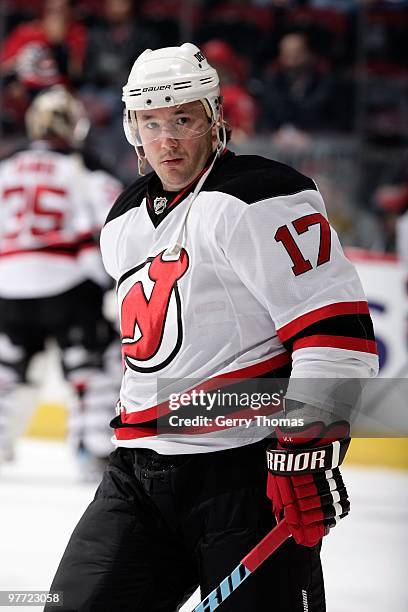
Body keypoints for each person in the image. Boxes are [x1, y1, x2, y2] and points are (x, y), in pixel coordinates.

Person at [45, 43, 378, 611]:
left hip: (242, 478)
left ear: (214, 117)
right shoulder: (122, 218)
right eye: (152, 122)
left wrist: (305, 447)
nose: (168, 139)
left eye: (182, 118)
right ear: (132, 128)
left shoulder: (264, 194)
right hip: (137, 477)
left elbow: (336, 336)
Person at [0, 86, 122, 480]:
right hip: (68, 287)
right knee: (94, 363)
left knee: (4, 367)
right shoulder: (83, 170)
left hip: (6, 286)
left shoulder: (5, 167)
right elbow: (114, 227)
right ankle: (93, 449)